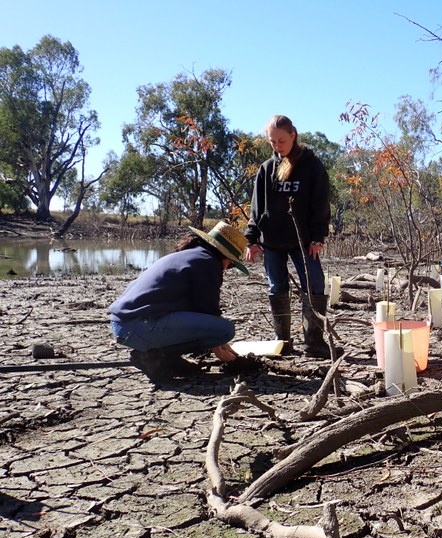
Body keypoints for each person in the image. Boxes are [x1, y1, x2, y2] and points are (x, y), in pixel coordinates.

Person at [108, 221, 249, 382]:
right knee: (225, 329)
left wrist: (223, 345)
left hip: (124, 325)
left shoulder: (190, 256)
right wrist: (223, 353)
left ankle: (167, 359)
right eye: (231, 264)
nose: (227, 268)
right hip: (139, 326)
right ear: (224, 256)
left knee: (219, 330)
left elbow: (199, 312)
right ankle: (155, 357)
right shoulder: (208, 263)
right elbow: (209, 313)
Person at [244, 115, 336, 359]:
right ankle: (283, 343)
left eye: (281, 140)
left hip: (304, 241)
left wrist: (318, 237)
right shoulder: (266, 169)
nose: (277, 145)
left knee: (315, 286)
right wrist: (251, 240)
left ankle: (314, 343)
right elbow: (256, 208)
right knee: (277, 287)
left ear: (293, 135)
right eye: (272, 141)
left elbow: (320, 204)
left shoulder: (312, 165)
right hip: (272, 240)